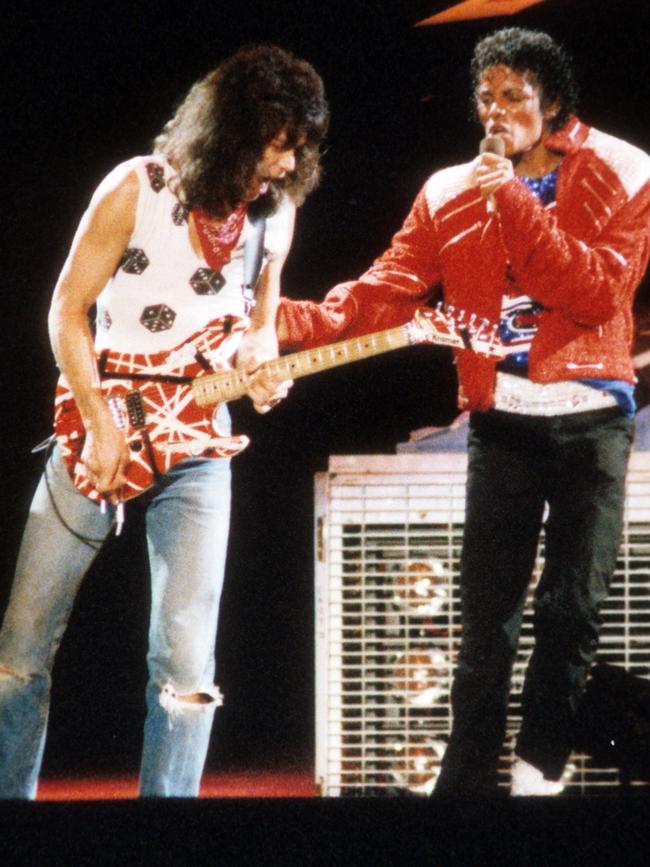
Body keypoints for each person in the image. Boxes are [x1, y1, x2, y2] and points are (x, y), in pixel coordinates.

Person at [277, 28, 650, 795]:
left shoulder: (624, 169)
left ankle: (536, 772)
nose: (496, 111)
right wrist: (285, 324)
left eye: (514, 95)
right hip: (504, 422)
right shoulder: (450, 189)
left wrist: (508, 195)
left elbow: (587, 291)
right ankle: (463, 782)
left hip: (592, 420)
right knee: (487, 623)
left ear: (551, 101)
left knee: (571, 612)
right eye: (485, 97)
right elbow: (385, 288)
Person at [0, 44, 328, 799]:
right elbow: (66, 311)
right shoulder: (137, 187)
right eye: (279, 145)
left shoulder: (274, 217)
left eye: (299, 150)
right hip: (102, 426)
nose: (285, 165)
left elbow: (259, 326)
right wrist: (98, 420)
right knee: (22, 651)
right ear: (235, 131)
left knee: (186, 670)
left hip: (200, 445)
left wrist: (265, 367)